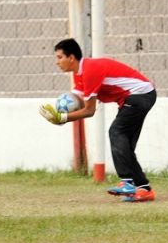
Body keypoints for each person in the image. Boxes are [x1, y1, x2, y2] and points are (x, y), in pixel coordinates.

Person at [39, 38, 158, 203]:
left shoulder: (89, 70)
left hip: (140, 95)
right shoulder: (79, 75)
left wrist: (63, 118)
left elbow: (89, 110)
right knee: (125, 145)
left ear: (71, 57)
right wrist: (60, 115)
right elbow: (78, 101)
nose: (57, 62)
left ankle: (127, 182)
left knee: (116, 132)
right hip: (137, 97)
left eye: (60, 57)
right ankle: (144, 189)